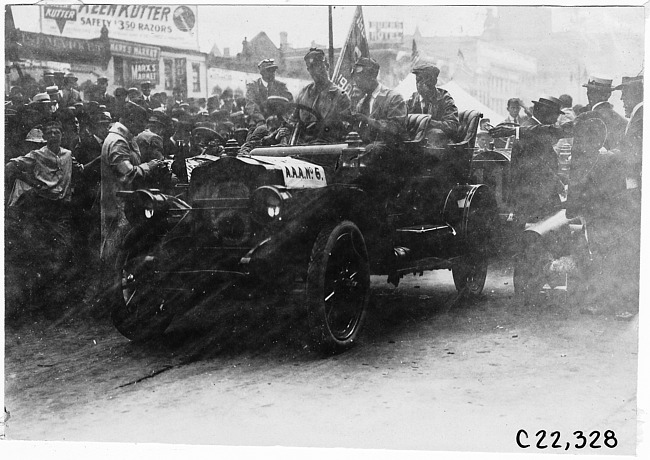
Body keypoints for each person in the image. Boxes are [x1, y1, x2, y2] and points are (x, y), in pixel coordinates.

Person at [5, 120, 83, 308]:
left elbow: (79, 169)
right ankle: (40, 300)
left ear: (62, 135)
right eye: (50, 133)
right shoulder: (37, 155)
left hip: (62, 208)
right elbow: (12, 165)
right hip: (42, 207)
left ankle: (58, 299)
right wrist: (30, 181)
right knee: (42, 252)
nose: (54, 135)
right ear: (45, 137)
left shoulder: (68, 155)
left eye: (57, 132)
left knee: (63, 251)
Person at [565, 114, 632, 317]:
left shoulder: (586, 162)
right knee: (614, 257)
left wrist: (571, 211)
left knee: (600, 257)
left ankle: (606, 304)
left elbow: (576, 192)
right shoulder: (612, 157)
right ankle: (619, 305)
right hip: (616, 215)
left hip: (597, 217)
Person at [100, 102, 164, 264]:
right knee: (117, 247)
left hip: (125, 200)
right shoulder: (117, 141)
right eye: (141, 123)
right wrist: (149, 166)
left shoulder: (124, 138)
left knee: (120, 247)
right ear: (131, 119)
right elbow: (127, 174)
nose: (143, 128)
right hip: (119, 203)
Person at [489, 96, 571, 222]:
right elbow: (536, 167)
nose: (556, 120)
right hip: (533, 200)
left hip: (533, 198)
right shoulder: (531, 130)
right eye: (555, 115)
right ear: (545, 113)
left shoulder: (530, 128)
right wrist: (557, 183)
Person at [293, 48, 352, 144]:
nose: (315, 71)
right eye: (311, 67)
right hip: (302, 146)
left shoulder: (340, 96)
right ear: (308, 70)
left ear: (327, 66)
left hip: (326, 148)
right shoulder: (302, 94)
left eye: (319, 66)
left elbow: (345, 128)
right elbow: (293, 120)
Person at [350, 57, 407, 146]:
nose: (357, 82)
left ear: (373, 75)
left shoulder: (393, 98)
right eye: (355, 78)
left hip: (388, 150)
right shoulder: (361, 103)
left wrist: (368, 120)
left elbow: (396, 128)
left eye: (360, 77)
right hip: (367, 150)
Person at [406, 62, 459, 146]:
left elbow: (452, 126)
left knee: (435, 134)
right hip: (416, 144)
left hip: (438, 146)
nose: (419, 84)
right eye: (418, 80)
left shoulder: (444, 98)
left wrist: (427, 122)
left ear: (434, 81)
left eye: (424, 80)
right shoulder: (412, 99)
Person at [580, 76, 627, 150]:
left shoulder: (587, 117)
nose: (588, 95)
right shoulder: (622, 120)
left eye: (593, 92)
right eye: (589, 91)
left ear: (608, 95)